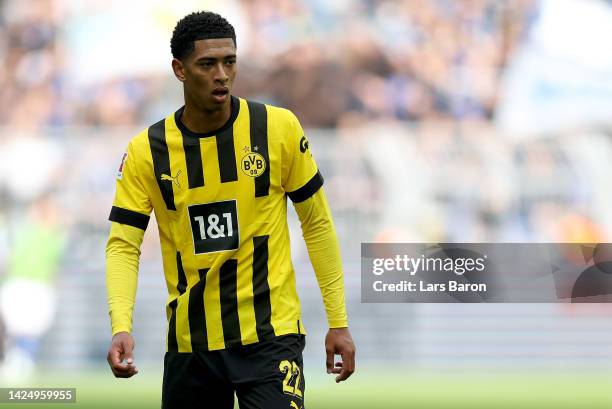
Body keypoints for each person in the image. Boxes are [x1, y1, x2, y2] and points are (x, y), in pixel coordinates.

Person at [105, 11, 355, 409]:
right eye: (207, 64)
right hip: (192, 346)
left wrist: (338, 320)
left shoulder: (278, 128)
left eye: (230, 61)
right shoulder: (145, 152)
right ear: (180, 70)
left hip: (272, 339)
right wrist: (121, 323)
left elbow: (317, 223)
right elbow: (123, 244)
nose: (222, 74)